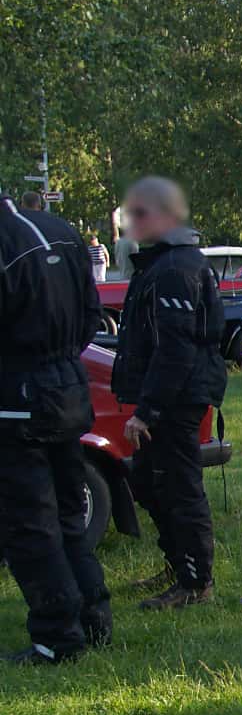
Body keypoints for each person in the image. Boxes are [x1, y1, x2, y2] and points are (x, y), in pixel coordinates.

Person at [0, 191, 110, 664]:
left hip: (18, 398)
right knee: (68, 513)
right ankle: (93, 618)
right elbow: (91, 312)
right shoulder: (61, 230)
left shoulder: (8, 242)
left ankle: (57, 635)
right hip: (67, 387)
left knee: (30, 523)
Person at [109, 177, 226, 610]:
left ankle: (195, 582)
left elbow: (175, 349)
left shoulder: (176, 268)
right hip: (169, 392)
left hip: (178, 396)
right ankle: (179, 566)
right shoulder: (161, 263)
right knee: (146, 481)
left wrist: (148, 410)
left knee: (179, 487)